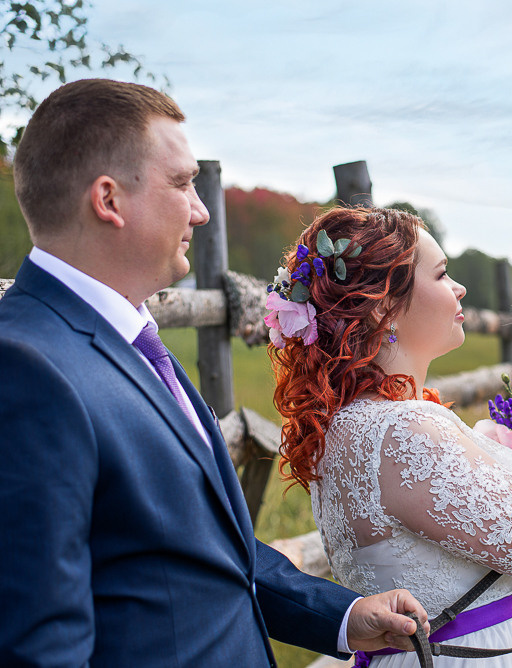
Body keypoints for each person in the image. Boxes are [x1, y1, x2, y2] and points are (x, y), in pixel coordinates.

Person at [0, 79, 429, 666]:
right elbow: (37, 646)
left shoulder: (134, 343)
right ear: (109, 200)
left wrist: (342, 615)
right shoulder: (25, 369)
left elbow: (204, 550)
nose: (201, 211)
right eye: (181, 184)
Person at [267, 206, 512, 666]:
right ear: (384, 305)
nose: (459, 287)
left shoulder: (353, 422)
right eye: (442, 275)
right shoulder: (400, 432)